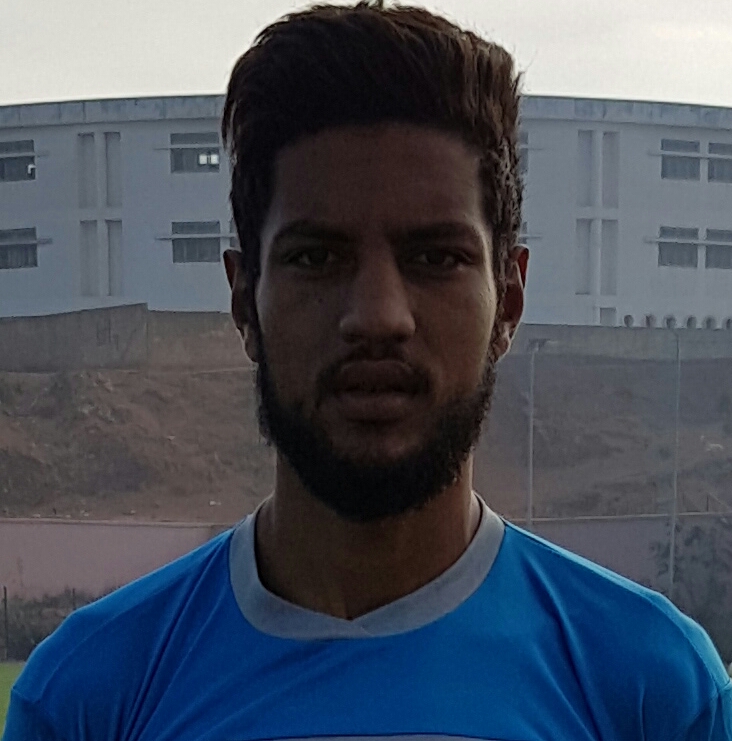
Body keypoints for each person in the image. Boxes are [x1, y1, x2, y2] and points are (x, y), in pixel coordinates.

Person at [4, 2, 731, 739]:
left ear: (508, 300)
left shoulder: (652, 690)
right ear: (244, 299)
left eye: (435, 257)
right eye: (317, 257)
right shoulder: (89, 696)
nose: (379, 315)